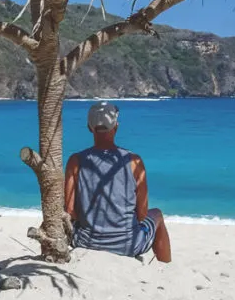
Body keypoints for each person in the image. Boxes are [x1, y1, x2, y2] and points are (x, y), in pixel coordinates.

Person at [64, 101, 172, 262]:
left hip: (85, 241)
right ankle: (165, 267)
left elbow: (70, 210)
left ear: (89, 128)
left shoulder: (76, 161)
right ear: (116, 126)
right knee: (156, 214)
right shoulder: (133, 161)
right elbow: (142, 215)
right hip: (128, 245)